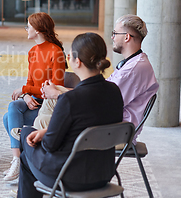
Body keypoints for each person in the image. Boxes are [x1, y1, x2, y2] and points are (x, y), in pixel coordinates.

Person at [14, 33, 123, 198]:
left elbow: (49, 146)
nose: (68, 59)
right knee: (33, 135)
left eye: (70, 56)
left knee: (25, 141)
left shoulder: (71, 99)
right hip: (103, 173)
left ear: (77, 61)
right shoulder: (114, 92)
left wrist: (34, 134)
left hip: (70, 177)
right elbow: (94, 128)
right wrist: (46, 131)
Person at [39, 14, 158, 144]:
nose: (112, 37)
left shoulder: (133, 69)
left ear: (126, 37)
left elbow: (100, 103)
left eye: (115, 33)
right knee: (55, 94)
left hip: (112, 129)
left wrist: (57, 94)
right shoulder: (135, 62)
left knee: (42, 120)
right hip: (109, 121)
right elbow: (100, 94)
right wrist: (60, 92)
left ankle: (48, 155)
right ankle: (46, 147)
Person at [2, 12, 66, 182]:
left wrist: (24, 90)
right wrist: (26, 95)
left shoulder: (56, 52)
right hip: (35, 100)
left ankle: (19, 161)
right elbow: (30, 82)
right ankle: (18, 160)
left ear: (37, 30)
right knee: (13, 108)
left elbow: (54, 88)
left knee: (9, 118)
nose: (26, 29)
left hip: (48, 105)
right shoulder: (32, 51)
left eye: (28, 26)